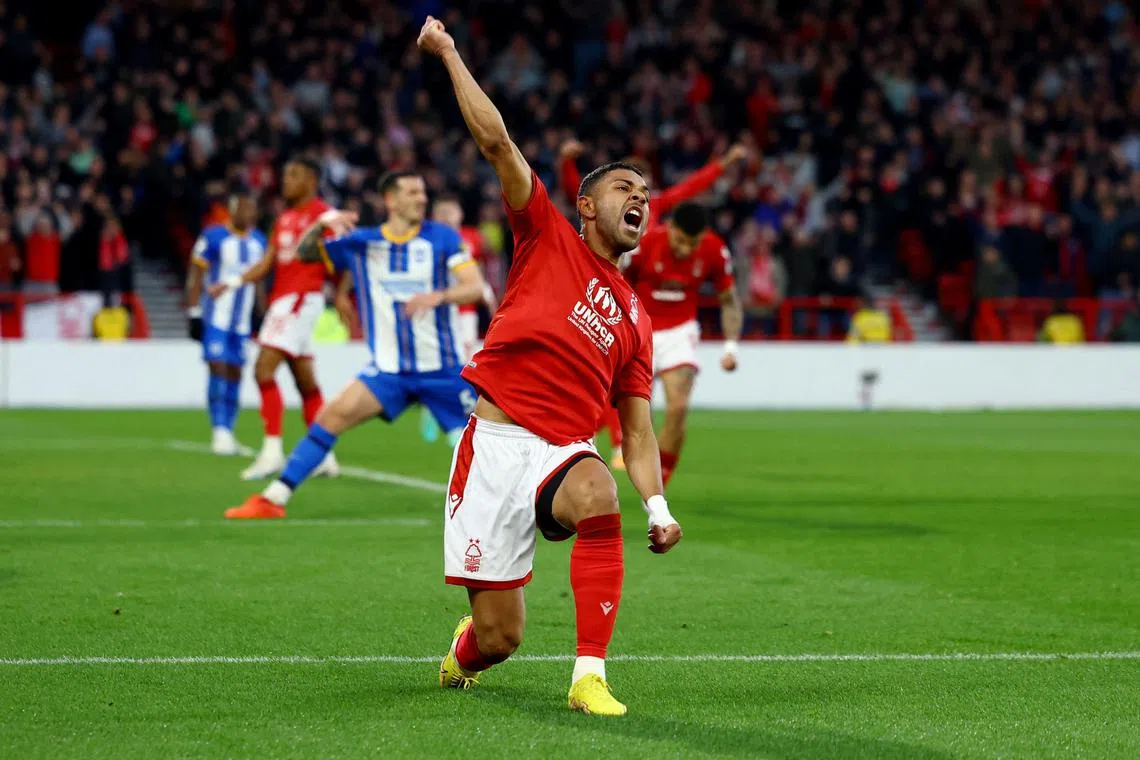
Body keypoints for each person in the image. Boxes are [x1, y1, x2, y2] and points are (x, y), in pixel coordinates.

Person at [418, 15, 682, 718]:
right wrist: (448, 51)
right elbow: (496, 140)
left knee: (599, 492)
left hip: (562, 451)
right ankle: (461, 656)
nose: (641, 201)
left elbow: (638, 429)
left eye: (648, 197)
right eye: (627, 189)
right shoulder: (545, 232)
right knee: (500, 638)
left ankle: (588, 676)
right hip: (494, 445)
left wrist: (657, 505)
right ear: (587, 204)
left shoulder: (637, 319)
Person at [223, 170, 486, 519]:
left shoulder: (442, 239)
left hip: (443, 370)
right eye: (411, 192)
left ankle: (527, 505)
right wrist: (322, 224)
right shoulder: (364, 243)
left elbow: (474, 286)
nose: (421, 199)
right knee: (332, 416)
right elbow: (304, 254)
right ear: (390, 200)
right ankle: (273, 499)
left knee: (489, 442)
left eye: (422, 192)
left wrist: (438, 296)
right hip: (389, 372)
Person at [560, 138, 749, 467]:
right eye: (627, 183)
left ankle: (652, 480)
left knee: (671, 405)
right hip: (630, 310)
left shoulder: (659, 207)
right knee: (600, 391)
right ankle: (600, 446)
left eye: (641, 183)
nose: (636, 192)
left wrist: (726, 163)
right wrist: (566, 164)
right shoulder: (607, 211)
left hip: (673, 324)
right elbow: (579, 196)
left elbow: (694, 186)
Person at [210, 156, 351, 480]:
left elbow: (346, 254)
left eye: (294, 175)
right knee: (305, 383)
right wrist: (231, 283)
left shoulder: (323, 215)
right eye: (285, 174)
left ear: (311, 182)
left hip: (300, 299)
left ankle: (272, 451)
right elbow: (267, 262)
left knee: (263, 369)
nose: (286, 180)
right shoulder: (284, 218)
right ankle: (324, 456)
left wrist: (342, 292)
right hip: (283, 301)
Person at [622, 202, 743, 487]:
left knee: (677, 408)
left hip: (681, 332)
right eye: (681, 241)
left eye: (693, 243)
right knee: (639, 416)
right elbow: (618, 284)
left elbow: (729, 300)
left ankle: (658, 483)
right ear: (671, 229)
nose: (687, 249)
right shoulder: (647, 242)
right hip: (641, 330)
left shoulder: (714, 249)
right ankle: (646, 475)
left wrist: (731, 347)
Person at [185, 192, 267, 455]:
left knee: (236, 372)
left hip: (242, 322)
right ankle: (218, 429)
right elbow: (196, 273)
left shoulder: (259, 241)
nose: (251, 214)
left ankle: (229, 431)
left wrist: (263, 314)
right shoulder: (213, 236)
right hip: (215, 317)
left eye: (254, 209)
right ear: (233, 211)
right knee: (217, 367)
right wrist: (194, 311)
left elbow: (260, 280)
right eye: (246, 208)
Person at [420, 192, 497, 443]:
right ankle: (438, 412)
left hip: (464, 311)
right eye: (443, 214)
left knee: (463, 361)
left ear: (460, 214)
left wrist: (487, 295)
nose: (448, 218)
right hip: (437, 309)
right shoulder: (427, 239)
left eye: (451, 213)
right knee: (439, 361)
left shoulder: (471, 238)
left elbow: (480, 270)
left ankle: (455, 417)